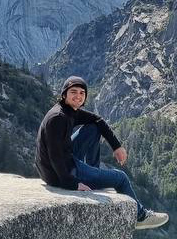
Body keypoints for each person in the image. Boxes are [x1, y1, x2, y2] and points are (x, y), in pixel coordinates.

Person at [35, 75, 169, 230]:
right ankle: (140, 217)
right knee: (121, 178)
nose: (78, 96)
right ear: (64, 94)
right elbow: (55, 155)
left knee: (93, 127)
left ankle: (94, 173)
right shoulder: (58, 118)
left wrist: (117, 146)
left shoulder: (68, 111)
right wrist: (71, 183)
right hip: (59, 172)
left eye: (81, 93)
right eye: (73, 92)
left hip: (64, 161)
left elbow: (98, 120)